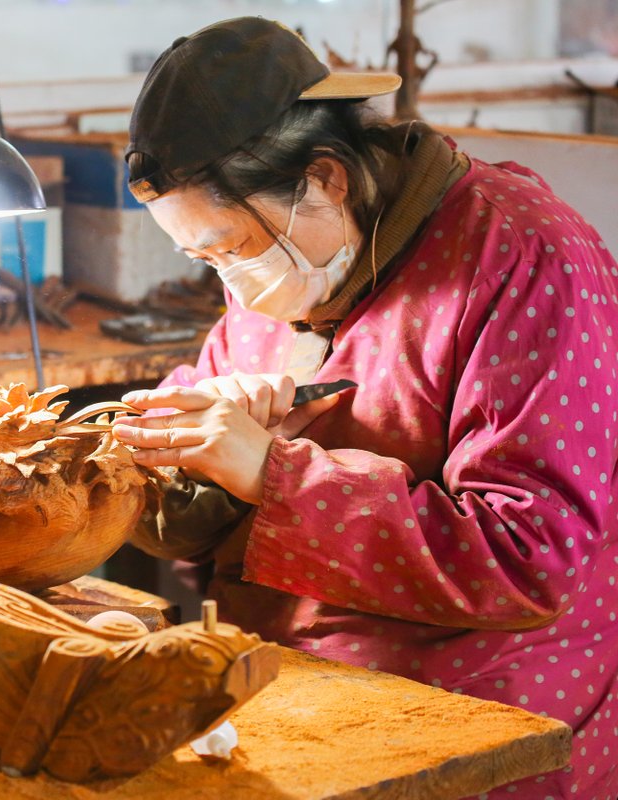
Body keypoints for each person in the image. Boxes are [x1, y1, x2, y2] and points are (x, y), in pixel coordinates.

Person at [110, 17, 618, 800]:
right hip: (300, 694)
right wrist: (189, 473)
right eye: (203, 257)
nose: (234, 286)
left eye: (235, 246)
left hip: (482, 722)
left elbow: (530, 556)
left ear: (326, 178)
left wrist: (273, 474)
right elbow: (214, 523)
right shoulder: (280, 275)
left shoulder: (524, 255)